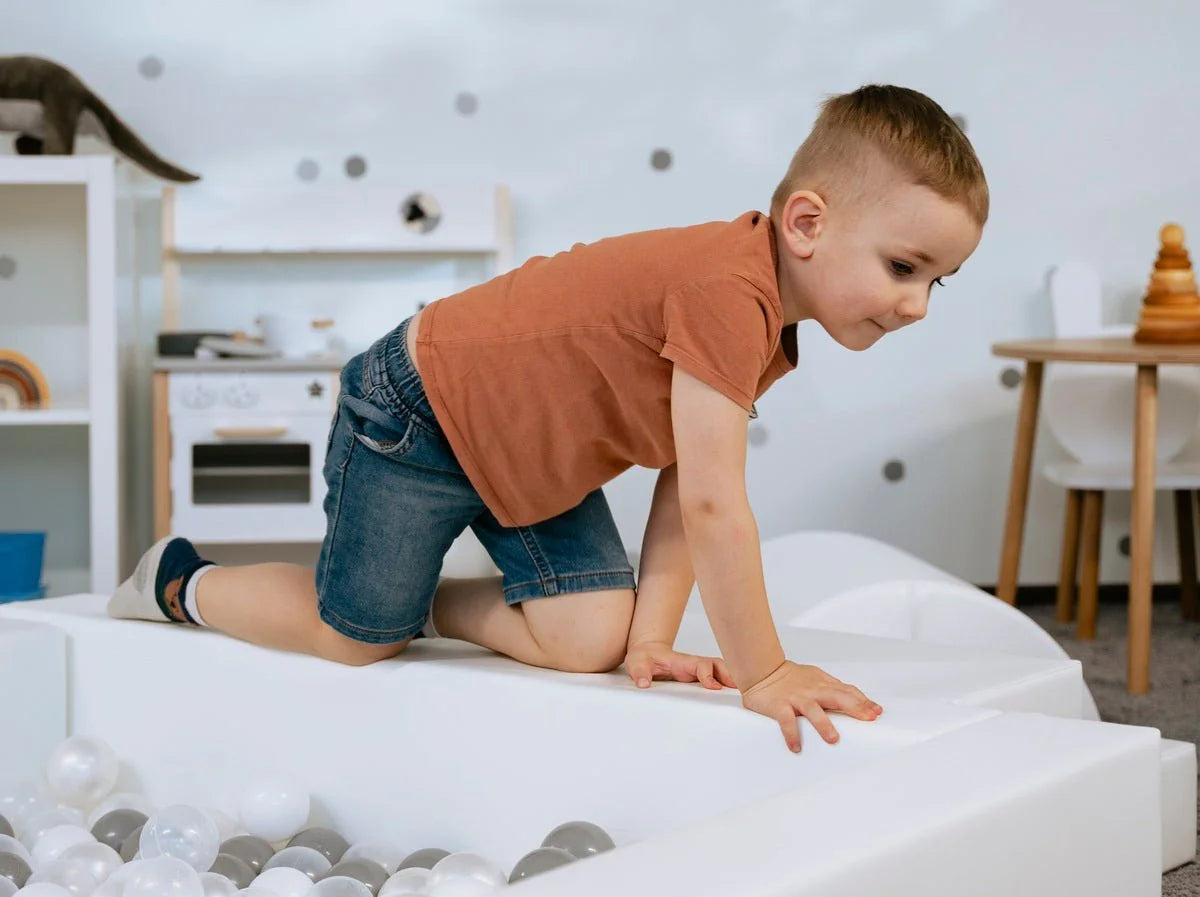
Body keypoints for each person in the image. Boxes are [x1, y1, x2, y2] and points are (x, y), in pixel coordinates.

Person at [109, 83, 987, 753]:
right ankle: (179, 583)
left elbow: (687, 486)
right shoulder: (730, 290)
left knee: (589, 641)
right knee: (352, 641)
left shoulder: (772, 327)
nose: (916, 305)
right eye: (904, 267)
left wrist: (650, 638)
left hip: (530, 460)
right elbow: (721, 509)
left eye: (935, 281)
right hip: (425, 415)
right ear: (806, 222)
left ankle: (422, 601)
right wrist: (766, 671)